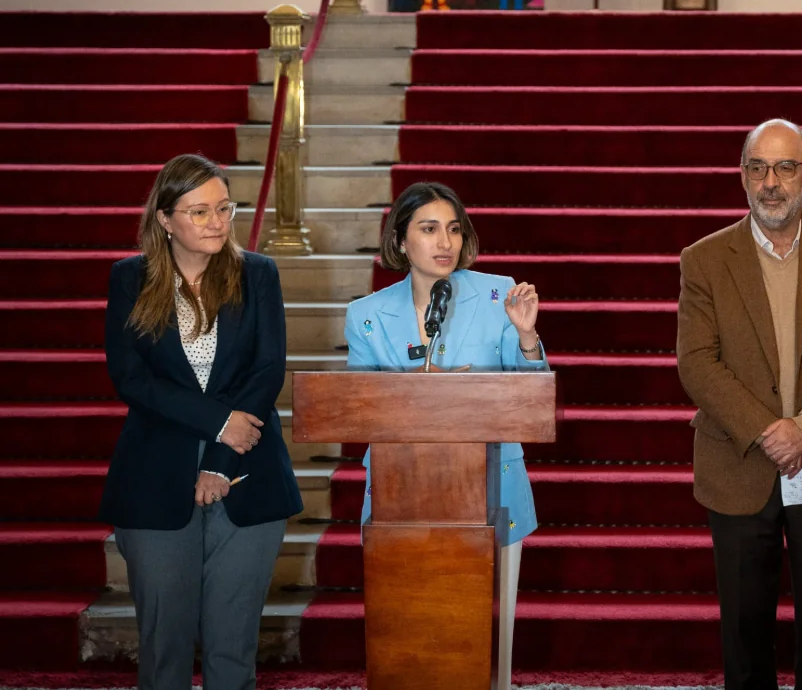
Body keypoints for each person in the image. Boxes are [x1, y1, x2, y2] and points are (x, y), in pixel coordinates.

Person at [677, 119, 802, 690]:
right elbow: (696, 362)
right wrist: (770, 430)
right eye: (758, 168)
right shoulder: (704, 260)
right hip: (738, 464)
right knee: (744, 633)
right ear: (742, 177)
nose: (772, 182)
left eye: (785, 167)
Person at [101, 153, 302, 690]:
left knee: (233, 649)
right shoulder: (129, 279)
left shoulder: (258, 274)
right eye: (198, 211)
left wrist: (219, 457)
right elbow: (133, 379)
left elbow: (266, 372)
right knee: (163, 650)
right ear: (165, 219)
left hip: (247, 473)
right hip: (152, 477)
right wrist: (218, 424)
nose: (217, 221)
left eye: (224, 207)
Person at [343, 181, 545, 690]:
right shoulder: (366, 316)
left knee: (489, 644)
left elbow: (530, 400)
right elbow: (356, 409)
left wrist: (526, 337)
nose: (445, 242)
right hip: (399, 498)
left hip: (490, 489)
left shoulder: (500, 294)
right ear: (401, 240)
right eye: (429, 229)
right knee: (407, 633)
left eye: (453, 229)